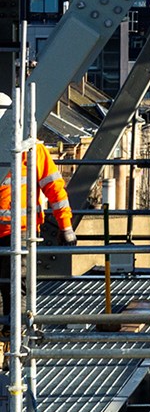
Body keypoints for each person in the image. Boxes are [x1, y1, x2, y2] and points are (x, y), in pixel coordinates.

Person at [0, 91, 76, 320]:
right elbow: (55, 189)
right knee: (15, 285)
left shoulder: (30, 149)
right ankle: (12, 332)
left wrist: (66, 226)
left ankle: (13, 332)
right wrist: (66, 228)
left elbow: (54, 189)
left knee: (15, 286)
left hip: (19, 231)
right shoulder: (31, 148)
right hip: (20, 230)